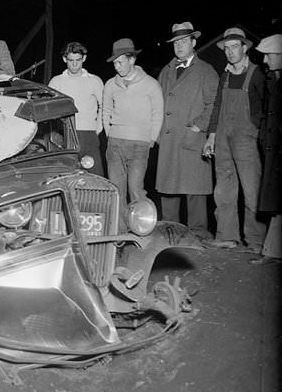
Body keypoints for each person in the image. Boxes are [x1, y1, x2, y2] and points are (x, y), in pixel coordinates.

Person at [202, 27, 268, 250]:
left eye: (234, 47)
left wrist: (257, 132)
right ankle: (227, 236)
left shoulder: (257, 74)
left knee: (252, 190)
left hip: (246, 139)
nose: (230, 52)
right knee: (224, 190)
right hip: (222, 138)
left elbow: (266, 109)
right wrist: (211, 136)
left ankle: (257, 240)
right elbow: (217, 106)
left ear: (244, 48)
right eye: (226, 48)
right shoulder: (226, 75)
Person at [155, 22, 218, 239]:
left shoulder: (206, 71)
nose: (179, 46)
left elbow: (213, 103)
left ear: (193, 42)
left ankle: (198, 234)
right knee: (169, 188)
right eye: (176, 42)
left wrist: (199, 125)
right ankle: (170, 232)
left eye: (184, 41)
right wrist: (157, 133)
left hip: (192, 136)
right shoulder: (166, 70)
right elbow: (156, 102)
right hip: (169, 137)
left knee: (195, 189)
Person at [102, 38, 164, 217]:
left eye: (120, 62)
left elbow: (157, 113)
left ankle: (142, 227)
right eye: (114, 63)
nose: (117, 67)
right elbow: (105, 110)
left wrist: (150, 139)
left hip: (139, 144)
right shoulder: (110, 84)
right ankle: (120, 232)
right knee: (116, 191)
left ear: (132, 60)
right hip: (115, 144)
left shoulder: (151, 84)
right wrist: (110, 133)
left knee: (135, 189)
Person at [48, 41, 105, 175]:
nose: (74, 64)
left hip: (88, 134)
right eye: (70, 60)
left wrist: (98, 128)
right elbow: (49, 108)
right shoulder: (56, 82)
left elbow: (104, 106)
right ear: (64, 59)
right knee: (66, 173)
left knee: (93, 172)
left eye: (78, 60)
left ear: (84, 58)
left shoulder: (94, 81)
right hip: (64, 133)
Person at [253, 33, 282, 264]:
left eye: (269, 56)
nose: (265, 61)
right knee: (276, 202)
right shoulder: (273, 80)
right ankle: (272, 252)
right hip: (274, 150)